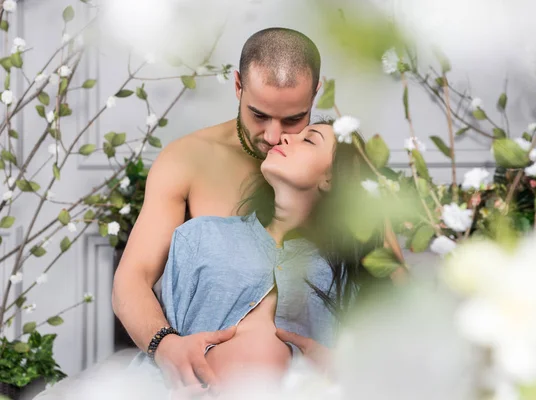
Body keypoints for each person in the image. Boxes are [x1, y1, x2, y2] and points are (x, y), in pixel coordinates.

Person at [112, 27, 325, 389]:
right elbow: (132, 279)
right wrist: (164, 345)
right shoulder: (188, 160)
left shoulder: (334, 167)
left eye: (293, 119)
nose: (273, 136)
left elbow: (395, 292)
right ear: (238, 85)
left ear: (316, 92)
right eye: (259, 115)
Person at [132, 120, 380, 396]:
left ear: (332, 179)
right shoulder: (200, 236)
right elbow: (163, 345)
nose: (284, 137)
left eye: (309, 140)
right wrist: (166, 348)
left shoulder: (348, 273)